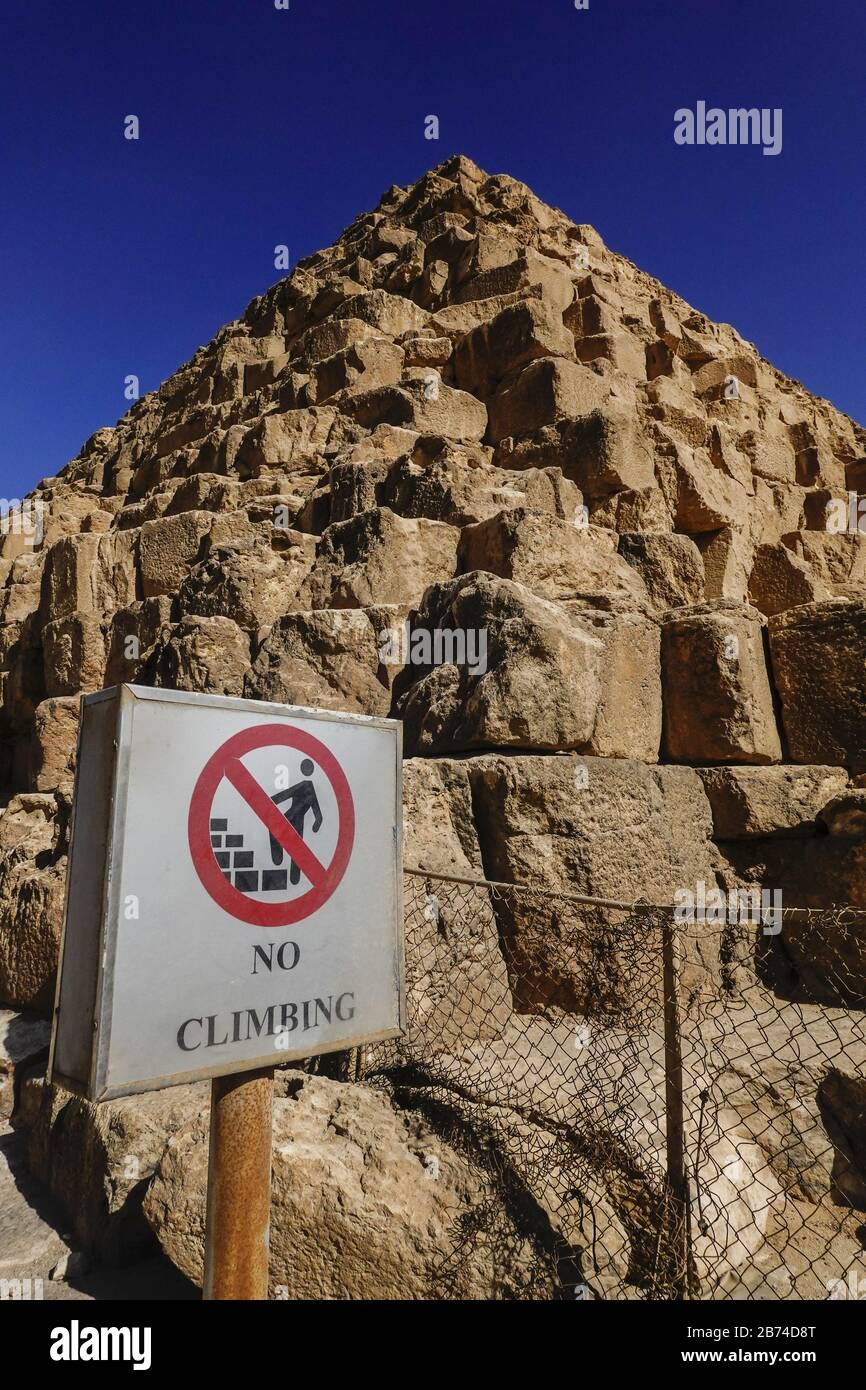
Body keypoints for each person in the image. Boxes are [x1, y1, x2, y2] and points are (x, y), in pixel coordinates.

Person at [270, 758, 323, 884]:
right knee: (297, 850)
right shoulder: (307, 787)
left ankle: (281, 859)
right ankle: (293, 877)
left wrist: (317, 823)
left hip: (291, 819)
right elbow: (282, 796)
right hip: (296, 821)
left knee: (294, 848)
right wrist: (316, 823)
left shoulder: (305, 787)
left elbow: (280, 797)